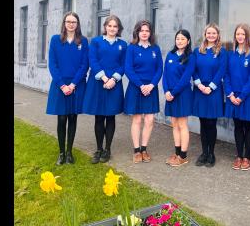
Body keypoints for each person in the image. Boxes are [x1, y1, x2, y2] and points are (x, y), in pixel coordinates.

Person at [45, 12, 89, 165]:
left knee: (72, 117)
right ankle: (61, 153)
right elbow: (53, 64)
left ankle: (70, 152)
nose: (71, 24)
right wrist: (63, 85)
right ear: (64, 23)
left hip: (76, 85)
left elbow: (84, 65)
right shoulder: (56, 40)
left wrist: (73, 84)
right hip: (60, 85)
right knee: (62, 118)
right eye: (68, 21)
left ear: (78, 24)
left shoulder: (83, 41)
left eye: (74, 22)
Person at [82, 15, 127, 164]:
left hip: (114, 84)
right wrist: (104, 78)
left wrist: (113, 79)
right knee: (99, 117)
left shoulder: (123, 44)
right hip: (98, 83)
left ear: (118, 29)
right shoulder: (96, 42)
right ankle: (98, 149)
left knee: (111, 116)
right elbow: (92, 60)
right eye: (110, 26)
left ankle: (108, 149)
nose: (112, 29)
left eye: (115, 26)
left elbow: (123, 64)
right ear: (105, 27)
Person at [124, 20, 163, 163]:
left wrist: (152, 85)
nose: (145, 33)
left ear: (150, 33)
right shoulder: (132, 48)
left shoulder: (155, 49)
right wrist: (141, 85)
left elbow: (159, 69)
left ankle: (144, 149)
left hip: (151, 89)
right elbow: (128, 69)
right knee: (137, 119)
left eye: (147, 31)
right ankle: (136, 151)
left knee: (150, 120)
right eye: (142, 31)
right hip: (136, 87)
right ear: (137, 32)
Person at [224, 23, 250, 171]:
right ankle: (239, 156)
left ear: (247, 36)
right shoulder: (230, 54)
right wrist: (230, 94)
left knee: (248, 126)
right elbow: (225, 75)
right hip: (233, 96)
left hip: (248, 97)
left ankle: (247, 157)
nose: (240, 37)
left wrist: (242, 96)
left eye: (243, 34)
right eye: (238, 34)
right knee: (238, 126)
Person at [191, 23, 226, 168]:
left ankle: (211, 154)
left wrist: (210, 87)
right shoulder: (197, 51)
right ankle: (203, 153)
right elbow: (193, 69)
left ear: (218, 35)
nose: (211, 35)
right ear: (205, 34)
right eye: (208, 33)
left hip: (214, 91)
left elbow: (222, 70)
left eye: (214, 33)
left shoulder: (222, 52)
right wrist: (199, 85)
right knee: (203, 123)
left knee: (211, 123)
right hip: (200, 90)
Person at [163, 29, 196, 167]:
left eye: (183, 39)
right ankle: (176, 153)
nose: (180, 41)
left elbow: (185, 79)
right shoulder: (170, 55)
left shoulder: (191, 57)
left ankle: (183, 155)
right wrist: (166, 91)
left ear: (188, 41)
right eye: (178, 38)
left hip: (182, 95)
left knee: (182, 125)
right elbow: (165, 75)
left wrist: (173, 92)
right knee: (174, 124)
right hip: (170, 95)